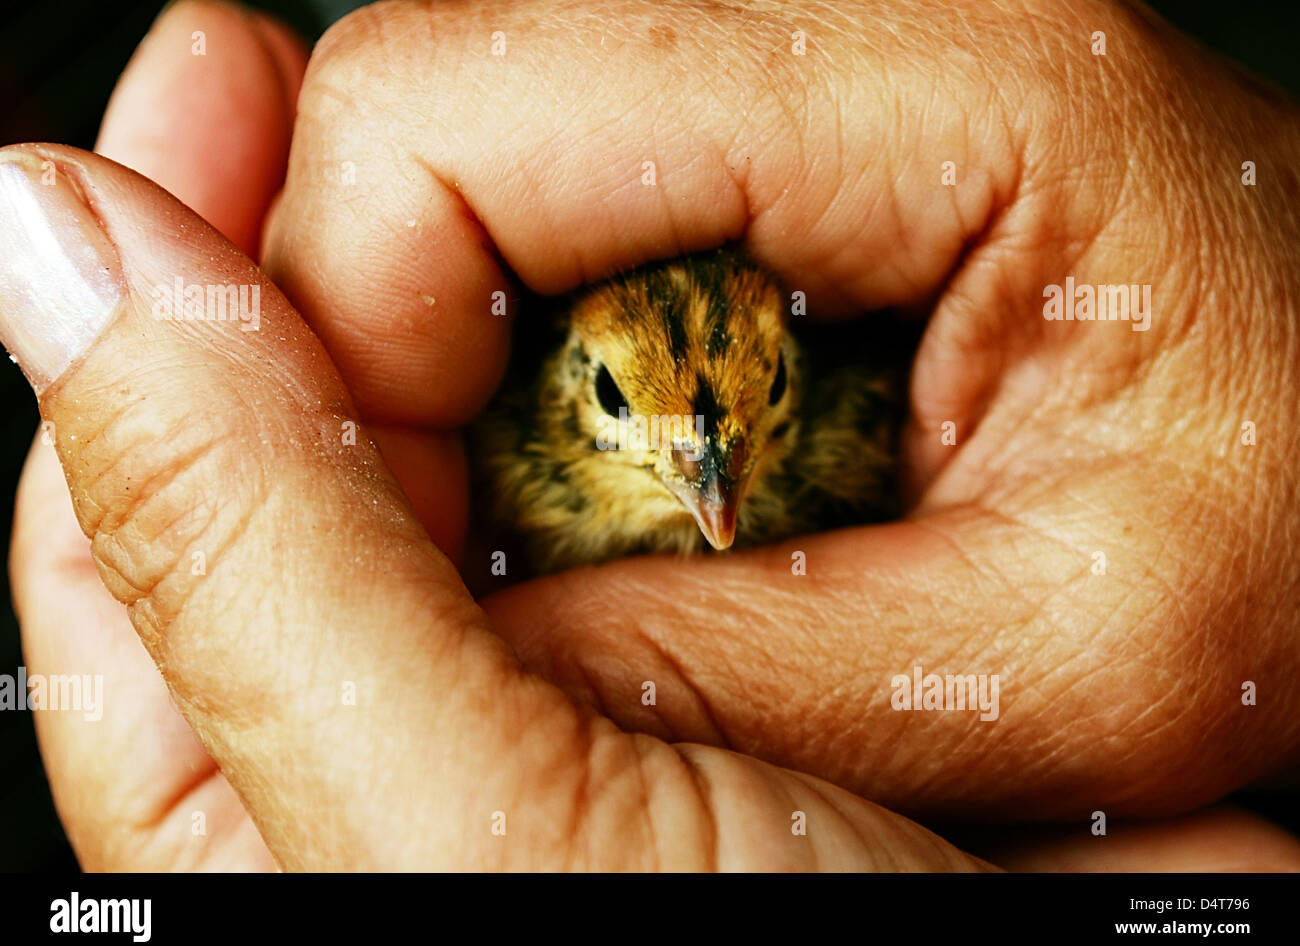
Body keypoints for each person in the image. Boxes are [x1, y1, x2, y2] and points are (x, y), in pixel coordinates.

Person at [2, 0, 1298, 871]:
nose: (714, 487)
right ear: (580, 391)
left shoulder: (849, 432)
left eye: (754, 417)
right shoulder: (515, 453)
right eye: (638, 415)